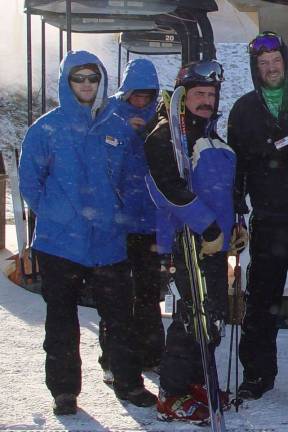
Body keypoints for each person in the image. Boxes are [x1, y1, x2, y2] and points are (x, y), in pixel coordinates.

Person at [19, 50, 157, 415]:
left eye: (91, 78)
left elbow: (132, 179)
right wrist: (61, 216)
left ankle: (128, 382)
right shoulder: (46, 128)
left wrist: (119, 218)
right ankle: (65, 390)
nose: (85, 85)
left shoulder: (117, 128)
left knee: (119, 318)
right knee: (62, 320)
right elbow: (30, 184)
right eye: (78, 78)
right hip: (60, 243)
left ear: (101, 82)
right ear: (67, 81)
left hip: (108, 241)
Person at [227, 31, 288, 400]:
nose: (271, 69)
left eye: (276, 62)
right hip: (268, 219)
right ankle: (257, 375)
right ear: (256, 68)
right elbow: (237, 166)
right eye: (263, 64)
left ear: (285, 62)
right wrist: (237, 210)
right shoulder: (245, 109)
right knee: (262, 302)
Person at [144, 60, 236, 424]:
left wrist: (235, 226)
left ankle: (197, 380)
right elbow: (166, 189)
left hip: (214, 244)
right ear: (183, 96)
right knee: (190, 318)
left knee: (210, 317)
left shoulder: (211, 134)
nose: (205, 100)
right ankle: (172, 392)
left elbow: (225, 190)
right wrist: (207, 226)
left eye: (210, 95)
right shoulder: (166, 136)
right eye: (198, 94)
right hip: (187, 242)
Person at [98, 58, 164, 384]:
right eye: (135, 94)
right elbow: (102, 163)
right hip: (117, 223)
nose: (141, 101)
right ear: (125, 92)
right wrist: (128, 134)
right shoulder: (107, 115)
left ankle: (152, 354)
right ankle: (112, 359)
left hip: (150, 222)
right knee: (115, 297)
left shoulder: (162, 117)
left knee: (149, 294)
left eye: (146, 95)